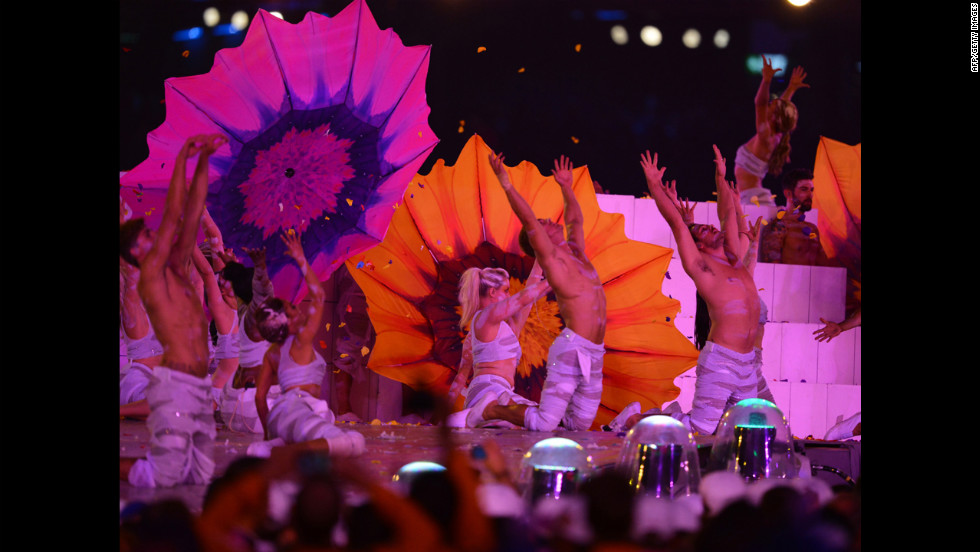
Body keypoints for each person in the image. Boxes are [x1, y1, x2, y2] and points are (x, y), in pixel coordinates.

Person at [630, 146, 775, 436]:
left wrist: (721, 177)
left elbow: (727, 217)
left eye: (708, 227)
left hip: (747, 363)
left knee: (754, 426)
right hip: (722, 359)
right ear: (698, 246)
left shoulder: (734, 257)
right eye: (702, 231)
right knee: (701, 428)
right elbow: (676, 223)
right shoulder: (702, 268)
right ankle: (639, 419)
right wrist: (654, 185)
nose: (709, 227)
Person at [119, 133, 228, 488]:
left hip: (189, 381)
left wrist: (193, 161)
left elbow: (189, 210)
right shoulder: (142, 276)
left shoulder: (176, 273)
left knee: (199, 475)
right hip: (156, 375)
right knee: (161, 474)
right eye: (144, 239)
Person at [478, 153, 607, 432]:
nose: (548, 220)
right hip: (572, 348)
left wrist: (566, 188)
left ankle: (519, 412)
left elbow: (576, 220)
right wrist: (506, 183)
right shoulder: (554, 261)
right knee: (544, 423)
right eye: (543, 223)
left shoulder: (575, 252)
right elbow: (528, 220)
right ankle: (491, 408)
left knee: (579, 424)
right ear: (540, 240)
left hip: (595, 351)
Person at [253, 231, 366, 456]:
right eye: (292, 309)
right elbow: (318, 297)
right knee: (354, 442)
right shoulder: (301, 339)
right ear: (287, 322)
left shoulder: (272, 353)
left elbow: (260, 397)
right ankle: (285, 453)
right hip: (296, 410)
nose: (298, 310)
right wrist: (301, 259)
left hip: (281, 415)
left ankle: (272, 447)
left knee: (329, 436)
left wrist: (269, 433)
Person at [449, 263, 552, 428]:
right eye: (506, 290)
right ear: (492, 292)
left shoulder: (507, 327)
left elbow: (530, 293)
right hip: (488, 391)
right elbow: (523, 298)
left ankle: (466, 417)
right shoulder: (485, 317)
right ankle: (479, 413)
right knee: (544, 420)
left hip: (498, 392)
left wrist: (541, 260)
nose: (509, 295)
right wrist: (558, 278)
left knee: (547, 419)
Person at [218, 246, 283, 434]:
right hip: (252, 412)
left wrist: (233, 266)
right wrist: (260, 266)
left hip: (235, 405)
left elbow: (242, 288)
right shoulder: (255, 316)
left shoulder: (243, 310)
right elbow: (262, 292)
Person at [735, 55, 809, 207]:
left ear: (775, 118)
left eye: (771, 106)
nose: (768, 105)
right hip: (752, 197)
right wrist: (791, 88)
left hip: (752, 200)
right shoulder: (776, 136)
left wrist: (766, 80)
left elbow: (759, 103)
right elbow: (782, 108)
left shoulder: (766, 136)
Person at [758, 167, 830, 266]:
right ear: (788, 193)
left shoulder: (812, 228)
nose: (810, 195)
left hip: (813, 280)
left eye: (811, 190)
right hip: (788, 281)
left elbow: (825, 267)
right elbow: (772, 270)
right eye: (804, 189)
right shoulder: (777, 227)